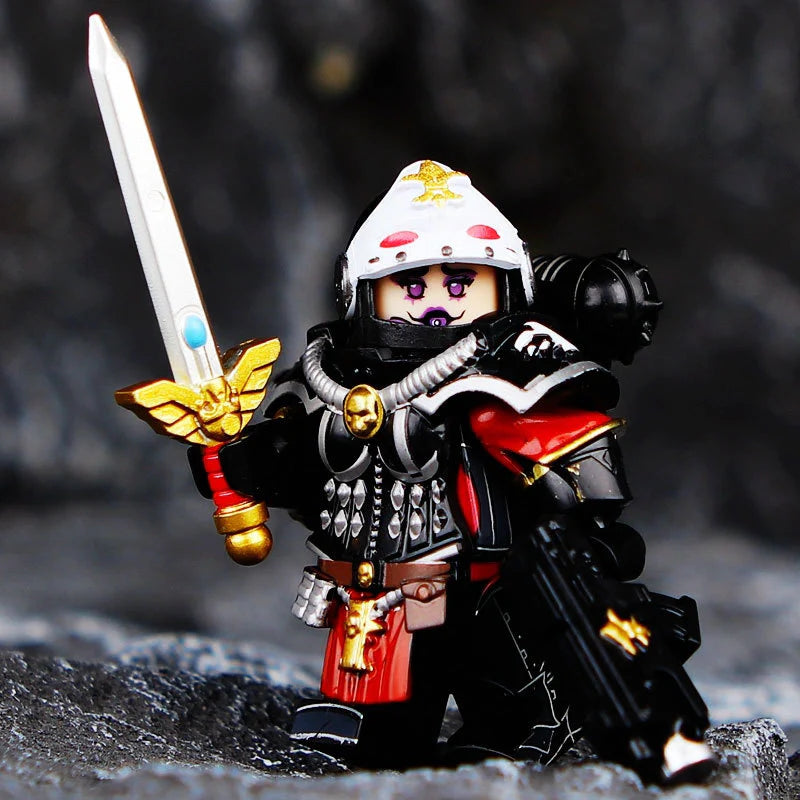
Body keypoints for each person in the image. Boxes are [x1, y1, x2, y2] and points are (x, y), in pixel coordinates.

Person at [190, 160, 713, 783]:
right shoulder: (325, 384)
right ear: (366, 294)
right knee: (366, 753)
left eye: (462, 286)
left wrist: (585, 560)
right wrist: (238, 462)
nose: (438, 306)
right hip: (374, 609)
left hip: (490, 607)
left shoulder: (516, 382)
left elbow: (584, 507)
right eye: (412, 288)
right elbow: (299, 475)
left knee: (517, 738)